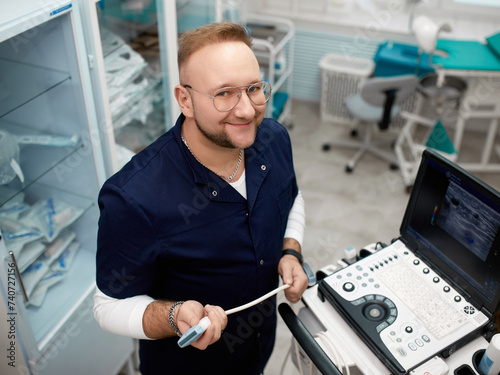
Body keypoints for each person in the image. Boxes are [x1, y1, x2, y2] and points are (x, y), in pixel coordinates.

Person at [94, 21, 308, 375]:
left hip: (258, 347)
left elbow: (292, 198)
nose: (246, 110)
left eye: (254, 88)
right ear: (185, 100)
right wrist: (174, 315)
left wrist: (291, 250)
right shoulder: (134, 198)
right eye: (224, 93)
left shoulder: (273, 138)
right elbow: (107, 305)